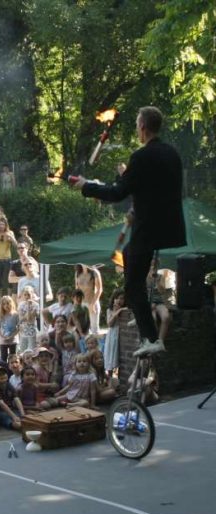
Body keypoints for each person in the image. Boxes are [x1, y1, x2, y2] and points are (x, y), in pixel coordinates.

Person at [74, 106, 186, 357]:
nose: (136, 129)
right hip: (170, 226)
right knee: (130, 268)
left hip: (149, 229)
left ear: (143, 127)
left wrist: (87, 186)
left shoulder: (141, 156)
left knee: (132, 286)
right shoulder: (172, 153)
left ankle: (152, 338)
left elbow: (116, 193)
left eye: (137, 125)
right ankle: (142, 312)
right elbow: (155, 190)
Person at [74, 264, 103, 335]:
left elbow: (100, 289)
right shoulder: (77, 273)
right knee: (82, 330)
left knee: (94, 331)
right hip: (81, 304)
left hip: (92, 302)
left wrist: (92, 304)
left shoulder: (95, 272)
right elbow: (77, 289)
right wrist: (76, 303)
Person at [103, 288, 126, 376]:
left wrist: (121, 310)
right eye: (118, 298)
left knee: (119, 357)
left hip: (121, 334)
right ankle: (109, 377)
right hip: (112, 335)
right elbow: (110, 324)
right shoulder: (110, 310)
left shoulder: (125, 310)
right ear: (114, 299)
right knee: (111, 356)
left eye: (122, 298)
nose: (119, 301)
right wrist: (116, 312)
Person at [0, 295, 19, 362]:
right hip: (3, 341)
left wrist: (12, 336)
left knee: (13, 357)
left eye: (8, 303)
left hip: (13, 341)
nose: (6, 305)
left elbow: (19, 328)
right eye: (4, 304)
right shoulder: (1, 315)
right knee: (3, 358)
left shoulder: (15, 315)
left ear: (11, 303)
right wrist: (2, 336)